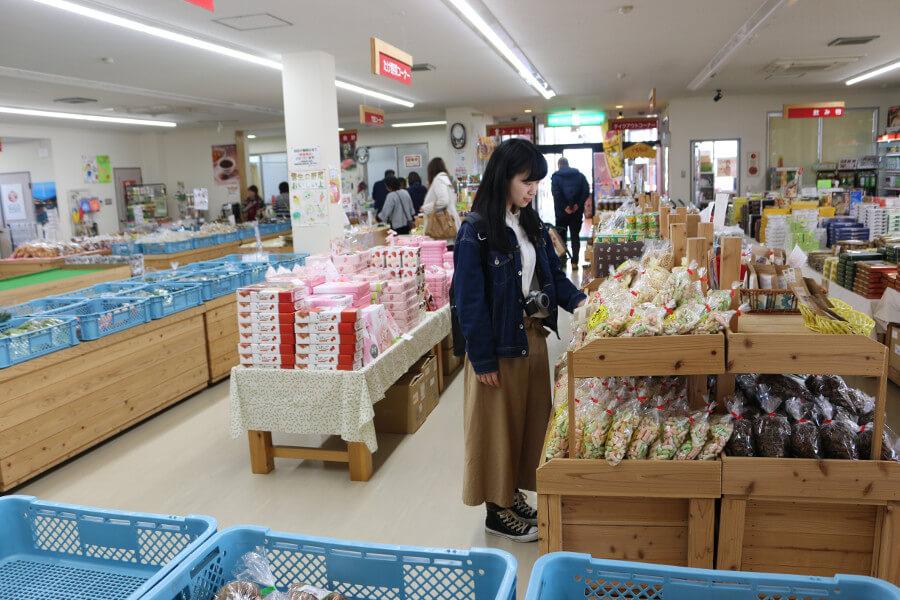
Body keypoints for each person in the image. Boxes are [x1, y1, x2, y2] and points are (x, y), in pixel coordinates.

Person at [453, 138, 586, 542]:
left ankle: (511, 495)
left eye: (536, 183)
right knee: (496, 431)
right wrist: (483, 359)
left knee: (526, 425)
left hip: (532, 341)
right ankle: (497, 511)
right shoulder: (475, 230)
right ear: (504, 177)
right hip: (498, 348)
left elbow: (552, 277)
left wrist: (582, 301)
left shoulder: (532, 224)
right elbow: (468, 302)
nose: (532, 189)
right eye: (526, 181)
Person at [550, 157, 590, 269]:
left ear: (559, 165)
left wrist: (565, 207)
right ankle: (574, 262)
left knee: (561, 238)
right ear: (568, 164)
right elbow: (586, 191)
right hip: (576, 213)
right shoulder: (580, 176)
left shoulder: (556, 177)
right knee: (575, 237)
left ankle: (562, 263)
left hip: (561, 213)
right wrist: (578, 204)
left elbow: (556, 193)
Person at [422, 157, 461, 237]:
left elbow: (444, 201)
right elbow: (454, 199)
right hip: (450, 223)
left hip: (442, 225)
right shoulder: (446, 180)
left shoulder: (439, 180)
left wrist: (426, 208)